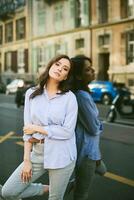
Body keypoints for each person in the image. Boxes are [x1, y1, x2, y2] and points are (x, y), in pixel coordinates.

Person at [1, 54, 78, 200]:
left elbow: (67, 132)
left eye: (65, 68)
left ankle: (57, 189)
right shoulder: (31, 94)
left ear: (66, 76)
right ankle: (48, 188)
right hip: (37, 153)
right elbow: (27, 131)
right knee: (8, 192)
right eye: (57, 64)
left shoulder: (69, 98)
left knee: (55, 198)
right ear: (50, 66)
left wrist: (38, 129)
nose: (60, 69)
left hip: (61, 154)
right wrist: (26, 160)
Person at [71, 55, 106, 200]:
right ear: (78, 76)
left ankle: (72, 183)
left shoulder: (83, 93)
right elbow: (93, 128)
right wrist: (100, 124)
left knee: (102, 170)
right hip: (86, 152)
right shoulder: (82, 97)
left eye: (91, 68)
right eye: (88, 70)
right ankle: (73, 184)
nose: (93, 71)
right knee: (81, 195)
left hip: (92, 150)